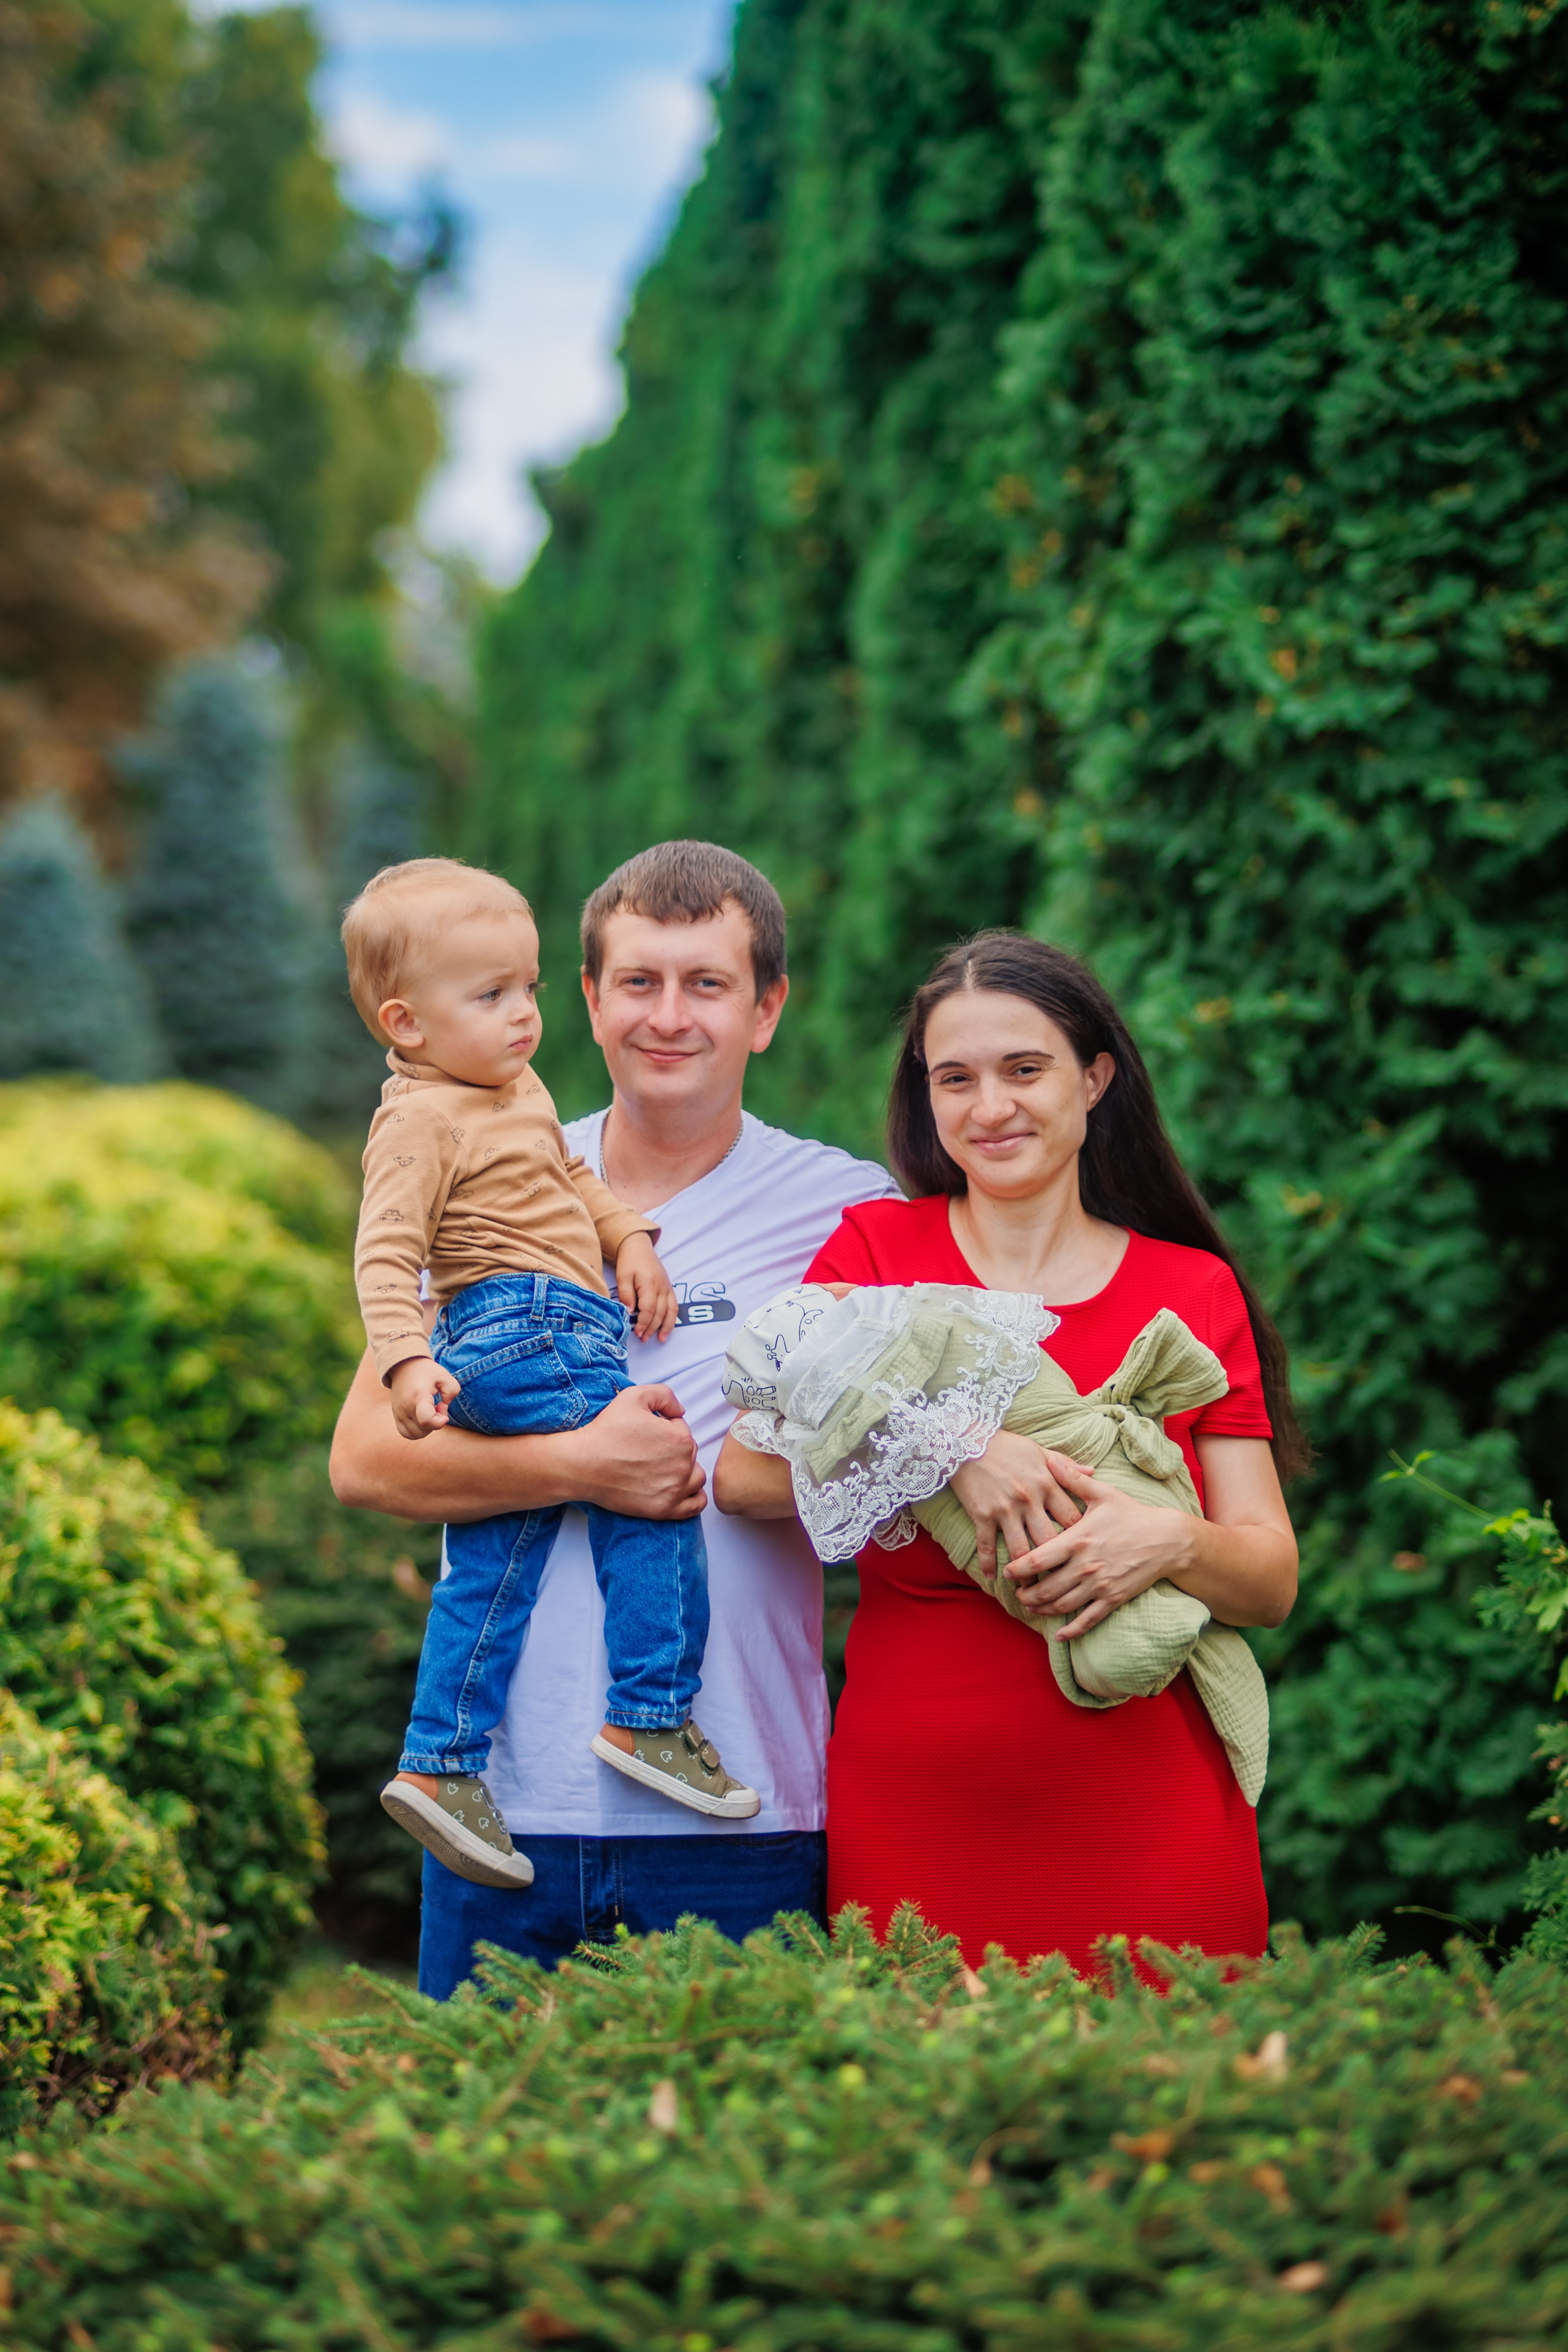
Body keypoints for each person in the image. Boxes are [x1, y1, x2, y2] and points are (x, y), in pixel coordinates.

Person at [329, 840, 894, 1993]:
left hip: (747, 1804)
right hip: (501, 1807)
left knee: (735, 2165)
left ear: (768, 1009)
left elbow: (893, 1466)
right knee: (483, 2166)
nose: (668, 1017)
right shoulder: (485, 1160)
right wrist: (583, 1463)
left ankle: (655, 1715)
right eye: (637, 982)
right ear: (587, 1000)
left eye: (708, 984)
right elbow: (366, 1460)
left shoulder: (849, 1211)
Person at [715, 930, 1302, 1975]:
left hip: (1154, 1809)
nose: (991, 1108)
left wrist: (1165, 1543)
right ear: (927, 1100)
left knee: (1176, 2121)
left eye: (1024, 1070)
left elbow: (1267, 1576)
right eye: (956, 1079)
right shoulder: (875, 1255)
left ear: (1096, 1078)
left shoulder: (1191, 1290)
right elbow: (747, 1476)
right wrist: (951, 1448)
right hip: (918, 1807)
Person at [341, 858, 760, 1897]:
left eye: (526, 988)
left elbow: (575, 1180)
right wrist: (405, 1359)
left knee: (499, 1552)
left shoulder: (511, 1090)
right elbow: (385, 1255)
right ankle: (652, 1716)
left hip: (551, 1317)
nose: (523, 1016)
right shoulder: (422, 1121)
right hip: (523, 1323)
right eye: (491, 997)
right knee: (658, 1478)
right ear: (407, 1025)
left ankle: (440, 1765)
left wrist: (633, 1242)